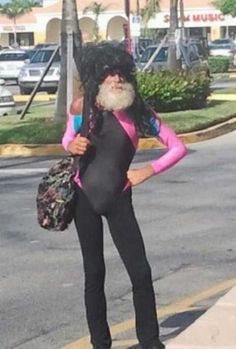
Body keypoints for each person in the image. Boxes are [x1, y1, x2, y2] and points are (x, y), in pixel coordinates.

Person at [62, 43, 187, 349]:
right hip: (83, 198)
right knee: (94, 273)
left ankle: (150, 341)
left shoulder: (139, 112)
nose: (116, 79)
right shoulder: (83, 108)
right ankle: (100, 344)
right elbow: (67, 137)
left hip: (119, 197)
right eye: (108, 74)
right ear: (97, 78)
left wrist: (149, 170)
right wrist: (70, 145)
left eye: (120, 74)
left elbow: (177, 146)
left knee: (140, 271)